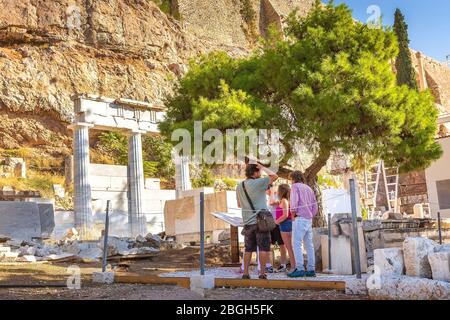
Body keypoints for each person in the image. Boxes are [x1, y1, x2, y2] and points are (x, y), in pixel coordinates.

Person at [236, 162, 278, 279]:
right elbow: (274, 176)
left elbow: (239, 204)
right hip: (261, 221)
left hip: (248, 222)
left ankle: (245, 273)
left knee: (248, 248)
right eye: (259, 171)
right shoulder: (258, 182)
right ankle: (262, 273)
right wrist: (263, 167)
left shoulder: (239, 186)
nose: (260, 173)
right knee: (264, 247)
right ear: (255, 172)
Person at [287, 171, 318, 278]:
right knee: (309, 245)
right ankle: (311, 269)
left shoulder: (295, 187)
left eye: (291, 179)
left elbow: (294, 203)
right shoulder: (308, 188)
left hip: (299, 218)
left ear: (294, 178)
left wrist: (293, 215)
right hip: (308, 219)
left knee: (296, 244)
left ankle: (299, 268)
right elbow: (315, 205)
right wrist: (311, 215)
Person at [266, 186, 288, 273]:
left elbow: (272, 202)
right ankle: (268, 265)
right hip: (268, 222)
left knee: (282, 244)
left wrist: (272, 192)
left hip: (277, 222)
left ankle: (283, 264)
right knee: (267, 244)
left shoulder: (275, 196)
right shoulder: (264, 197)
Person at [275, 184, 295, 271]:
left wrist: (276, 222)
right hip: (287, 224)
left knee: (289, 248)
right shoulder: (286, 200)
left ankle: (294, 267)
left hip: (285, 225)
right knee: (291, 247)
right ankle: (294, 266)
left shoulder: (284, 201)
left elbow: (285, 215)